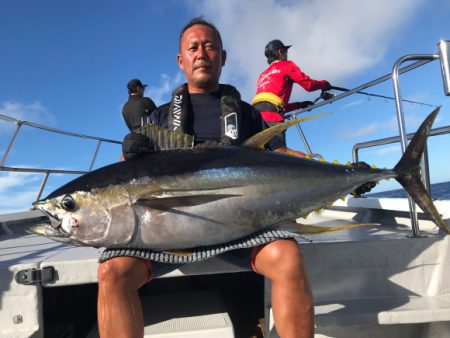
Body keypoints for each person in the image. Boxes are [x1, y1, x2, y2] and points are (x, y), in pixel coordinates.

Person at [97, 18, 314, 338]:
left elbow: (279, 154)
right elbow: (125, 176)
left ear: (223, 57)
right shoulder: (159, 116)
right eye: (193, 47)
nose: (201, 53)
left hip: (239, 226)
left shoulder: (247, 113)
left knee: (288, 256)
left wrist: (340, 169)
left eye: (210, 46)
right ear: (180, 60)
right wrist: (130, 153)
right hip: (169, 233)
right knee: (112, 271)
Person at [252, 39, 331, 156]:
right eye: (285, 51)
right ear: (280, 52)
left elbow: (270, 103)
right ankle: (314, 167)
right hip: (272, 118)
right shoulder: (287, 65)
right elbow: (308, 85)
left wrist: (299, 104)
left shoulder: (262, 75)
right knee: (281, 155)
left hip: (254, 118)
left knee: (261, 157)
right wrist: (324, 84)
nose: (287, 55)